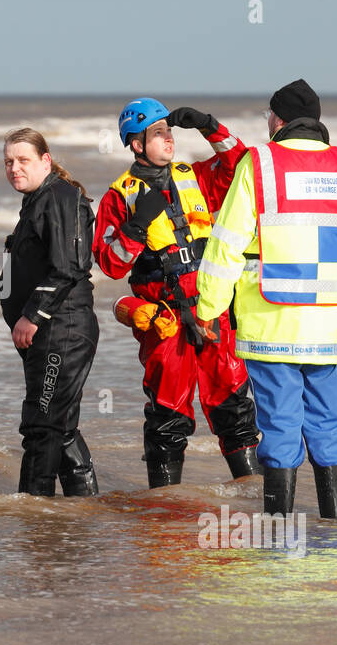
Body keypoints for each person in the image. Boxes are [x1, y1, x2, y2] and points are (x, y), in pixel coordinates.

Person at [195, 79, 337, 518]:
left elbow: (226, 243)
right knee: (328, 422)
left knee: (279, 424)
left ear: (277, 120)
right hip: (331, 323)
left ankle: (279, 529)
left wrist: (208, 307)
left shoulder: (259, 162)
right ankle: (333, 527)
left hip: (271, 318)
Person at [92, 98, 263, 488]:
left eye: (168, 131)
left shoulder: (196, 175)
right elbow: (110, 263)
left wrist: (209, 125)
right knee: (168, 415)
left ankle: (254, 497)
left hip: (212, 311)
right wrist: (137, 226)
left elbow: (243, 165)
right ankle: (166, 509)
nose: (168, 138)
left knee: (234, 406)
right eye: (157, 133)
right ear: (136, 144)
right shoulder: (118, 196)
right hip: (164, 321)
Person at [1, 128, 99, 497]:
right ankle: (84, 507)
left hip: (64, 330)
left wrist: (32, 316)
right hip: (49, 332)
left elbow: (69, 266)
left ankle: (33, 513)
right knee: (59, 426)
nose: (14, 168)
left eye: (23, 160)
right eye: (9, 162)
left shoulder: (60, 197)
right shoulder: (38, 198)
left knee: (42, 427)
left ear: (45, 160)